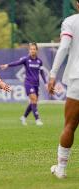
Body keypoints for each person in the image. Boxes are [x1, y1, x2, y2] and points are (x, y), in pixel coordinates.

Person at [48, 0, 79, 179]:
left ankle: (61, 169)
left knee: (70, 125)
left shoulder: (71, 21)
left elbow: (64, 47)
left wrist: (53, 74)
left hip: (77, 78)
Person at [0, 43, 47, 126]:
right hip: (28, 83)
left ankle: (24, 117)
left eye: (34, 49)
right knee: (34, 99)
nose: (32, 51)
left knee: (34, 101)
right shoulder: (26, 59)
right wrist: (7, 65)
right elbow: (17, 63)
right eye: (31, 49)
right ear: (29, 50)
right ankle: (37, 120)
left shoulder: (39, 61)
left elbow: (42, 73)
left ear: (37, 50)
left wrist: (46, 83)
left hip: (37, 84)